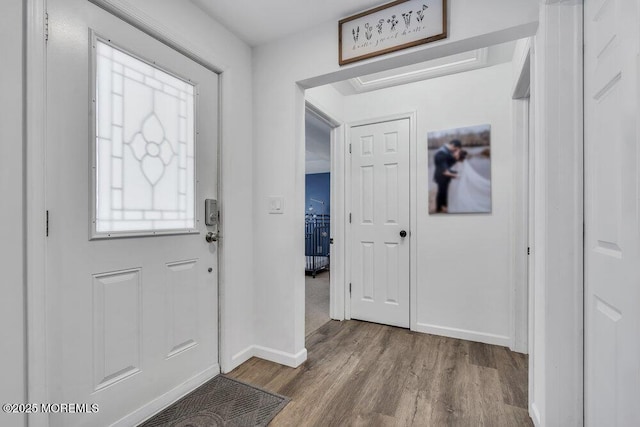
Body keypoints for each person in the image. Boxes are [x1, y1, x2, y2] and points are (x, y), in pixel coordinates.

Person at [433, 139, 462, 213]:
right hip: (441, 176)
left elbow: (451, 163)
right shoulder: (441, 154)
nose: (455, 151)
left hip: (445, 175)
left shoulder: (448, 151)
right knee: (441, 192)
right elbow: (445, 172)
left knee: (445, 191)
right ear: (452, 145)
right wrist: (456, 175)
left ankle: (444, 206)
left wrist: (456, 154)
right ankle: (438, 208)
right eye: (455, 149)